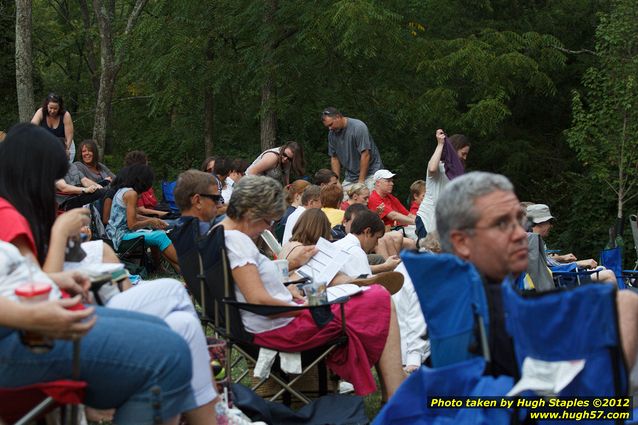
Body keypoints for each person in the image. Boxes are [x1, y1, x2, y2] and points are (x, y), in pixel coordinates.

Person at [0, 124, 219, 424]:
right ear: (33, 173)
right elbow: (31, 288)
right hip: (27, 335)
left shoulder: (11, 212)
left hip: (38, 322)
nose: (57, 186)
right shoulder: (8, 216)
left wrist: (60, 278)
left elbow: (27, 280)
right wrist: (61, 235)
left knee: (176, 325)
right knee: (169, 350)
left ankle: (210, 414)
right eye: (51, 176)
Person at [220, 175, 406, 400]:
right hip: (287, 323)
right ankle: (396, 391)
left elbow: (256, 289)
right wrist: (304, 306)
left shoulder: (224, 237)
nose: (269, 226)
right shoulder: (237, 242)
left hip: (286, 308)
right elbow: (258, 299)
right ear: (251, 211)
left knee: (362, 294)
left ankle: (354, 283)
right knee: (380, 297)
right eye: (268, 219)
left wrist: (290, 282)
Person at [436, 171, 638, 377]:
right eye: (504, 224)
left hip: (532, 350)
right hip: (531, 378)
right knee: (624, 300)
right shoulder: (469, 302)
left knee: (624, 298)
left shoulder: (490, 285)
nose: (518, 234)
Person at [0, 242, 197, 425]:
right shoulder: (9, 215)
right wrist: (31, 316)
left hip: (30, 315)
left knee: (160, 328)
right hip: (22, 328)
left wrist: (55, 279)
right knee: (169, 353)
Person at [105, 164, 180, 271]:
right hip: (120, 238)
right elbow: (132, 224)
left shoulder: (122, 190)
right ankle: (185, 266)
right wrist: (150, 221)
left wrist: (156, 221)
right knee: (160, 236)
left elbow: (132, 216)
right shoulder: (131, 194)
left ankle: (177, 271)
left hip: (113, 235)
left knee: (156, 231)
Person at [526, 203, 616, 284]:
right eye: (549, 222)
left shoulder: (531, 240)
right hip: (559, 280)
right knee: (609, 274)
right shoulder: (531, 242)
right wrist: (578, 264)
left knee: (602, 270)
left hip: (560, 276)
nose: (551, 225)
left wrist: (570, 262)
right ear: (539, 222)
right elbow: (549, 269)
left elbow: (549, 264)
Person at [417, 129, 471, 233]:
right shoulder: (439, 165)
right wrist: (441, 144)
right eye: (463, 153)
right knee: (429, 249)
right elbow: (432, 168)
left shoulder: (456, 173)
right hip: (427, 218)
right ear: (454, 150)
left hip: (443, 221)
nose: (465, 158)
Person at [321, 107, 383, 191]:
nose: (330, 128)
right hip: (351, 177)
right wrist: (337, 181)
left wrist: (361, 183)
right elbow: (334, 158)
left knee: (365, 199)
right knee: (340, 200)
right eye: (327, 126)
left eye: (331, 124)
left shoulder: (358, 127)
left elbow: (365, 154)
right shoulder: (331, 134)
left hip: (371, 173)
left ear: (338, 117)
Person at [31, 93, 75, 162]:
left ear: (59, 107)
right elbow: (32, 128)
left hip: (65, 146)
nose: (52, 111)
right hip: (47, 147)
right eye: (50, 108)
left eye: (55, 108)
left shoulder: (65, 115)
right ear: (46, 105)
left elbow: (69, 136)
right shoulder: (41, 112)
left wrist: (66, 150)